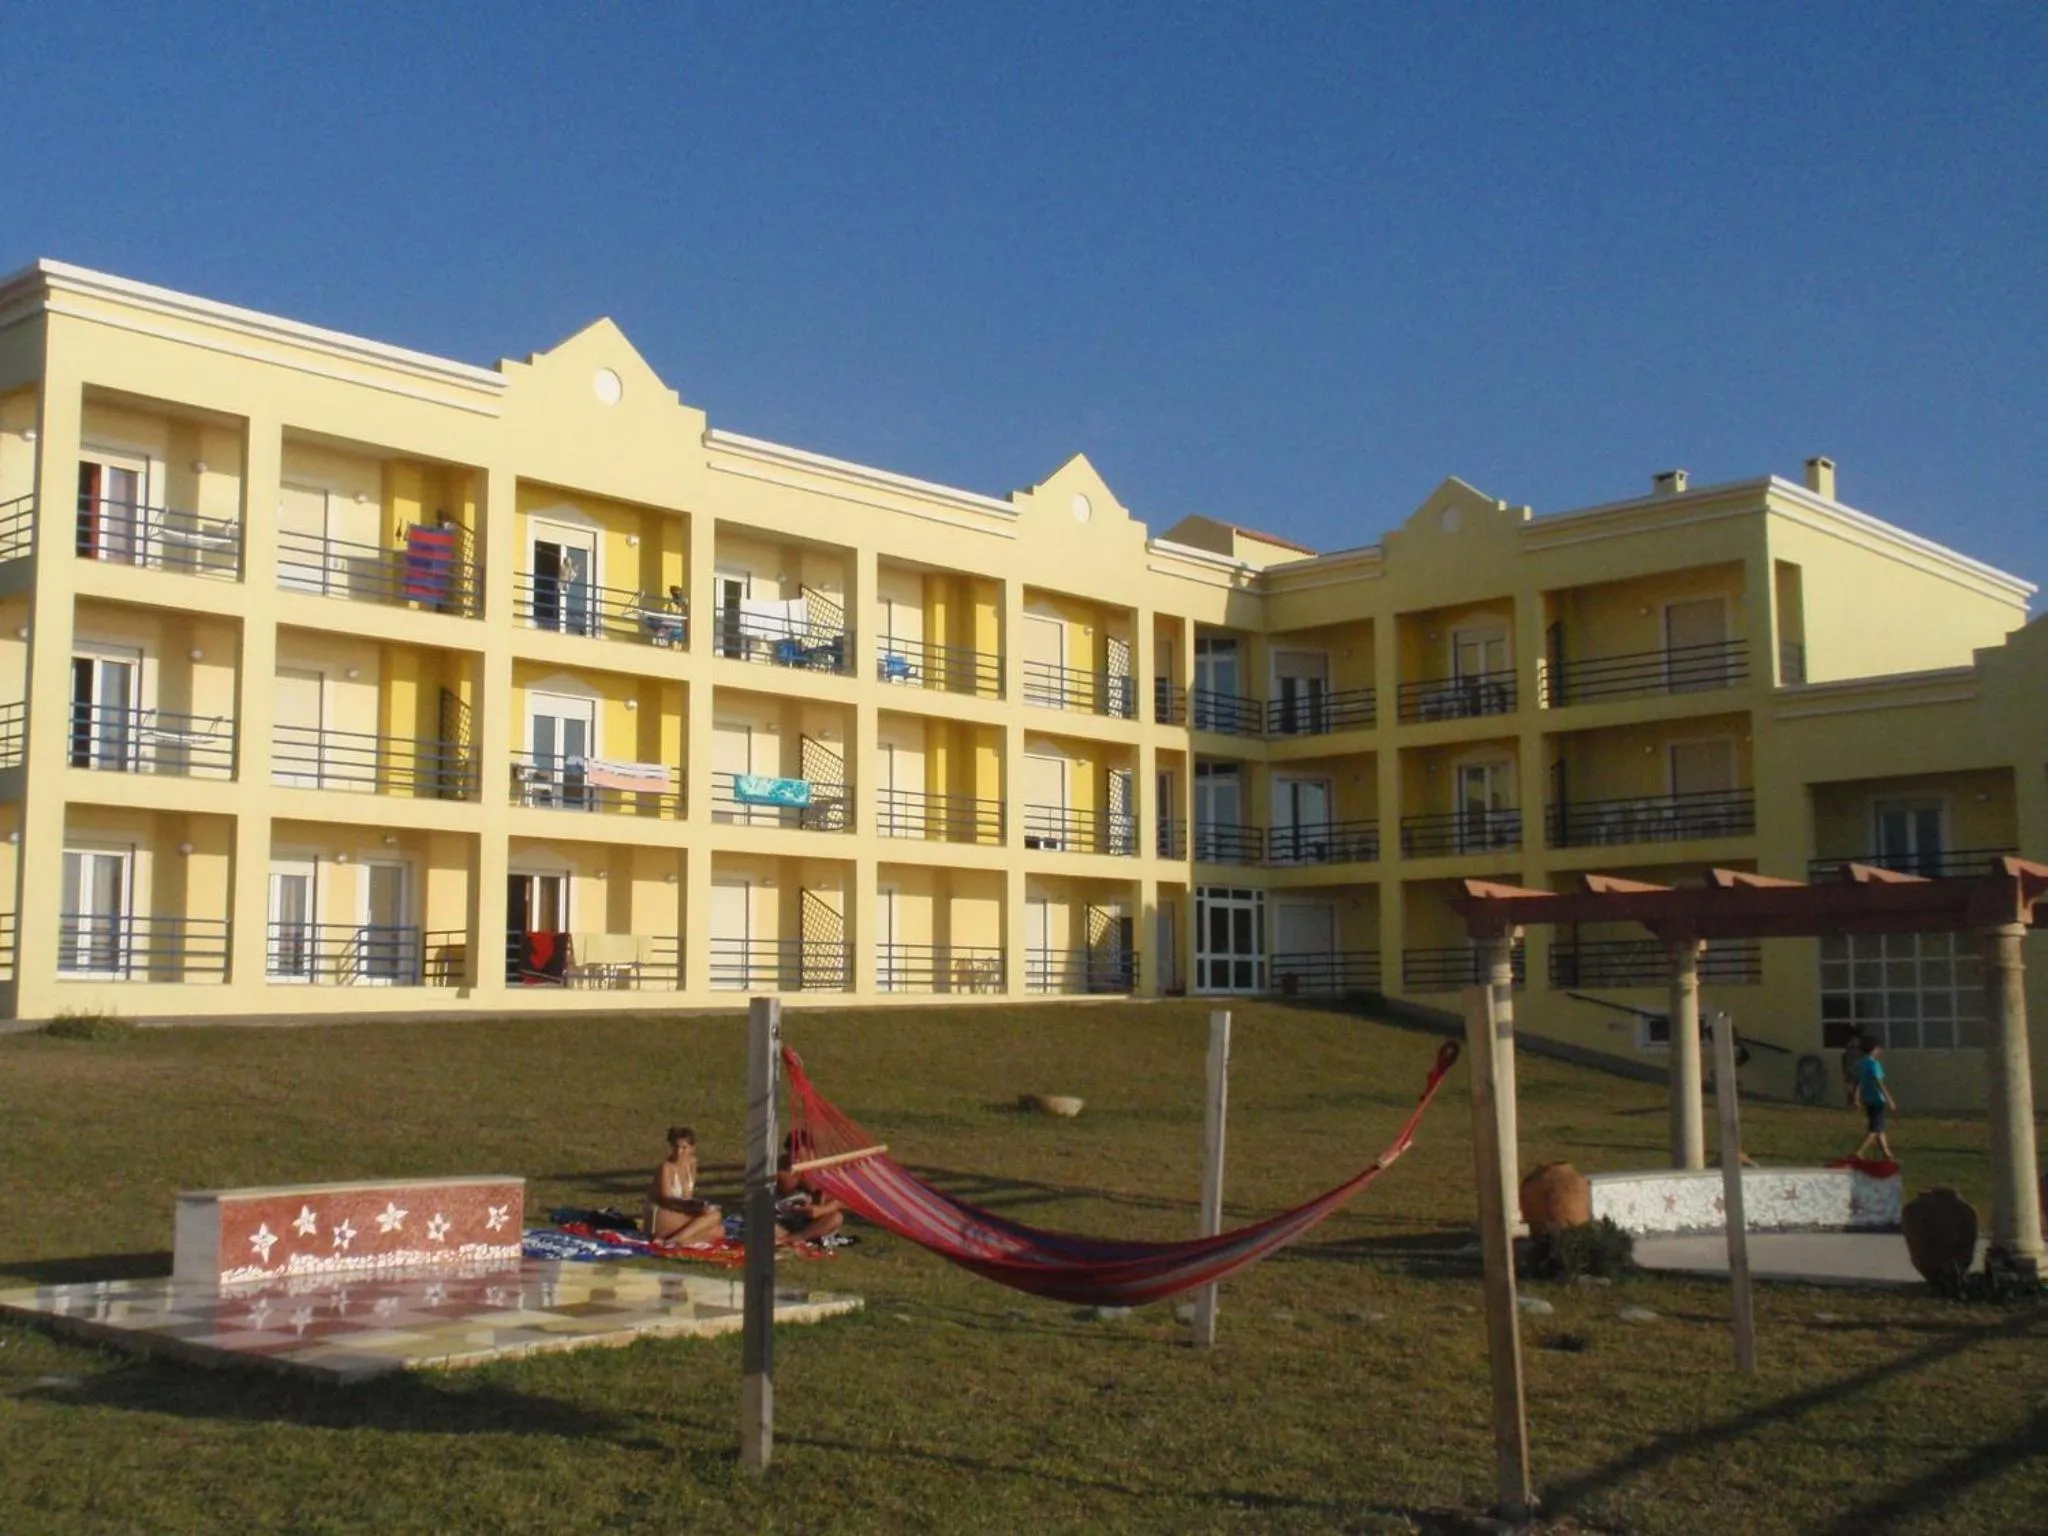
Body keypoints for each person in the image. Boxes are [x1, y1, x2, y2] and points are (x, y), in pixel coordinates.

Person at [646, 1126, 724, 1245]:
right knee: (715, 1217)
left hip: (679, 1213)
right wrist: (690, 1204)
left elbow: (687, 1196)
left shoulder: (692, 1163)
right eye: (676, 1147)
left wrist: (697, 1206)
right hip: (661, 1215)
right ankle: (676, 1240)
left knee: (719, 1230)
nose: (679, 1152)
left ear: (692, 1148)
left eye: (684, 1148)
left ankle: (680, 1239)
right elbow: (665, 1199)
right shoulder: (666, 1168)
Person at [774, 1134, 847, 1247]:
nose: (795, 1158)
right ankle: (786, 1238)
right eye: (792, 1152)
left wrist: (820, 1210)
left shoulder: (821, 1169)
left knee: (836, 1218)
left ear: (810, 1152)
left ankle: (791, 1238)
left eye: (799, 1154)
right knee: (767, 1228)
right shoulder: (781, 1166)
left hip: (808, 1220)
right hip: (783, 1217)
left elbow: (840, 1200)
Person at [1851, 1039, 1898, 1162]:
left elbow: (1857, 1082)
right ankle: (1859, 1152)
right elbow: (1879, 1083)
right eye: (1877, 1049)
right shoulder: (1874, 1064)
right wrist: (1889, 1099)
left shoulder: (1860, 1064)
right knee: (1875, 1130)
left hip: (1867, 1098)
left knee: (1879, 1127)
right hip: (1877, 1099)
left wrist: (1856, 1097)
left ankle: (1887, 1154)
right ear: (1873, 1050)